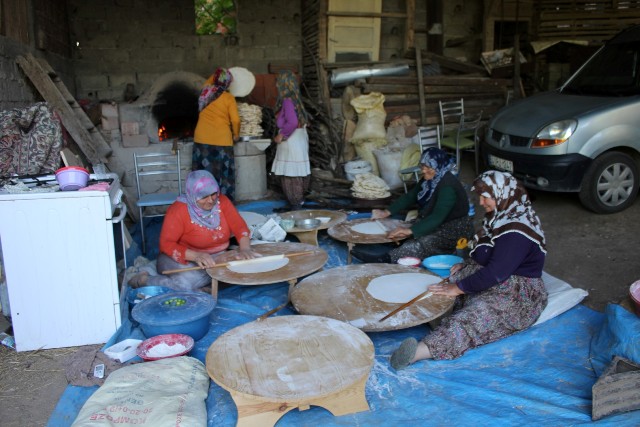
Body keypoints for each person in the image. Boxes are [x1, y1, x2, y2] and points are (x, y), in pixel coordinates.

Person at [390, 170, 548, 370]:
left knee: (476, 317)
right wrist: (466, 265)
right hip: (493, 275)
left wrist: (459, 287)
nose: (481, 203)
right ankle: (437, 318)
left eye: (485, 197)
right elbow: (486, 252)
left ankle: (420, 351)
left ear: (502, 194)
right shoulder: (499, 216)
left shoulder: (517, 230)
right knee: (439, 287)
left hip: (516, 291)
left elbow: (496, 273)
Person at [128, 170, 258, 292]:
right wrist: (196, 256)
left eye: (213, 194)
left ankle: (203, 286)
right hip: (182, 258)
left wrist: (245, 248)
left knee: (240, 273)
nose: (211, 200)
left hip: (218, 257)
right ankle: (144, 279)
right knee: (184, 285)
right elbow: (166, 244)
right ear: (192, 195)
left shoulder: (222, 202)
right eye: (204, 197)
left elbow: (240, 227)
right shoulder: (178, 210)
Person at [351, 147, 474, 263]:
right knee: (404, 229)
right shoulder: (429, 180)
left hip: (454, 228)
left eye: (428, 167)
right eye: (422, 166)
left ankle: (385, 258)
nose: (423, 170)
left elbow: (437, 217)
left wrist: (409, 231)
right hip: (437, 222)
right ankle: (394, 245)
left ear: (438, 167)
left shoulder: (448, 187)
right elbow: (411, 196)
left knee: (422, 242)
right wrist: (387, 212)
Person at [193, 67, 240, 201]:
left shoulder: (205, 92)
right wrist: (236, 134)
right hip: (222, 142)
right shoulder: (228, 98)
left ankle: (202, 204)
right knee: (223, 176)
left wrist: (219, 72)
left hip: (201, 140)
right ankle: (224, 204)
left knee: (203, 176)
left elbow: (211, 80)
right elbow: (235, 120)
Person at [271, 70, 311, 210]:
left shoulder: (287, 101)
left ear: (283, 84)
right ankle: (298, 204)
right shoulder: (296, 100)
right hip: (299, 139)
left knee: (290, 175)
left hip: (291, 142)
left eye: (278, 82)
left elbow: (293, 122)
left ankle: (295, 206)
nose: (276, 85)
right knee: (298, 174)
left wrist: (282, 135)